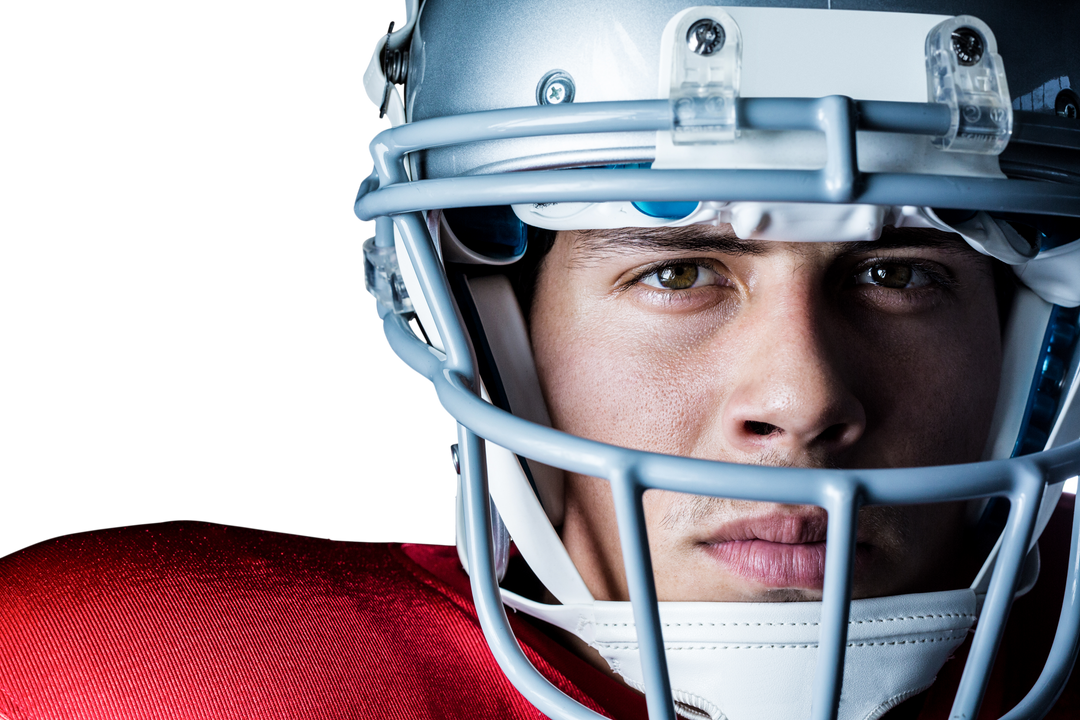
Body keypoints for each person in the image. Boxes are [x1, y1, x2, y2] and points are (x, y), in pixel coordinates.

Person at [1, 1, 1078, 719]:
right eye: (679, 271)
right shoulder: (165, 680)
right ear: (490, 325)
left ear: (1036, 334)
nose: (800, 401)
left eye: (899, 275)